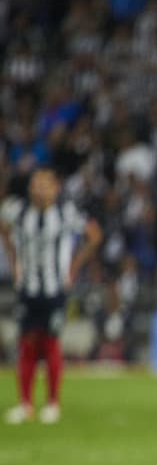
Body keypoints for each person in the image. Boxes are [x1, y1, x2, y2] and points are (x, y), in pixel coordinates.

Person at [1, 168, 102, 424]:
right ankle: (25, 404)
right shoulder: (17, 211)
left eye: (45, 185)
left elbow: (94, 234)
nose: (39, 190)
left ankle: (52, 403)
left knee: (50, 343)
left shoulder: (66, 213)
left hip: (55, 288)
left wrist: (74, 266)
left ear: (56, 188)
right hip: (28, 288)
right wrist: (14, 263)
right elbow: (4, 230)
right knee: (26, 344)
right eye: (36, 185)